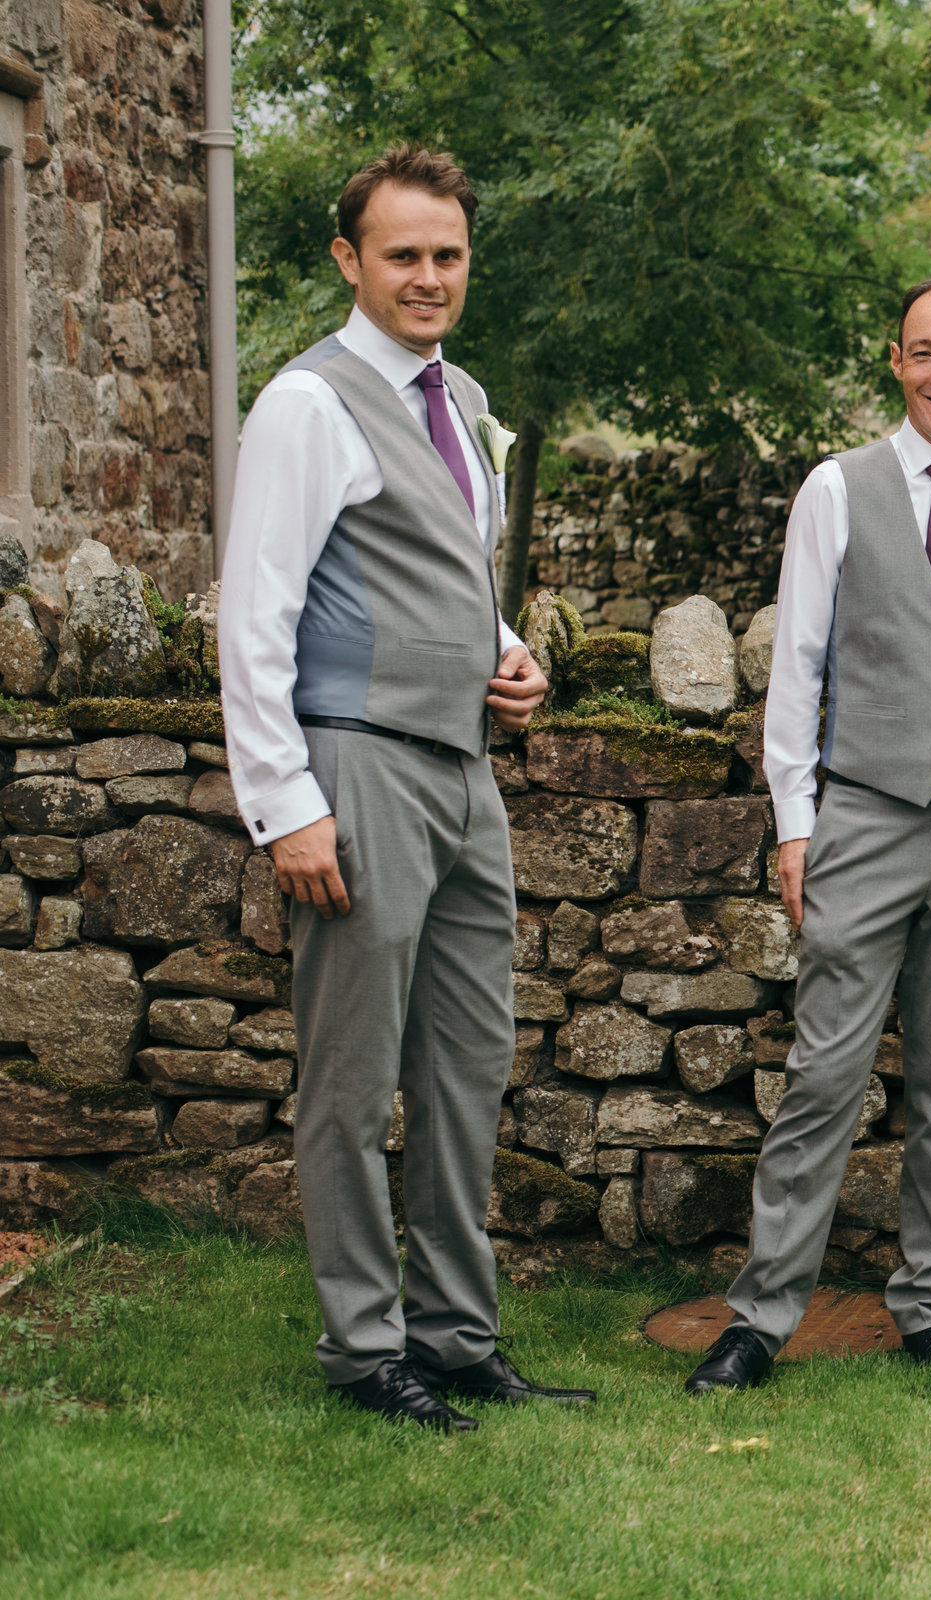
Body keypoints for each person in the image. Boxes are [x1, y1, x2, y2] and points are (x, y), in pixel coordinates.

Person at [221, 144, 583, 1432]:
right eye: (403, 255)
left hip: (463, 773)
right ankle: (365, 1351)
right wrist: (288, 803)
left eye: (448, 256)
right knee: (350, 1073)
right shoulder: (308, 405)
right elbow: (255, 619)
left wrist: (507, 656)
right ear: (348, 260)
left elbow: (450, 576)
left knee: (467, 1066)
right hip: (356, 765)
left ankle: (457, 1336)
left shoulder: (464, 397)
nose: (429, 278)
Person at [683, 274, 931, 1394]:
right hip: (862, 815)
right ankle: (761, 1314)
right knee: (824, 1075)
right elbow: (797, 665)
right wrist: (797, 823)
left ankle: (929, 1304)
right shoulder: (836, 488)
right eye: (923, 353)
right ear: (897, 364)